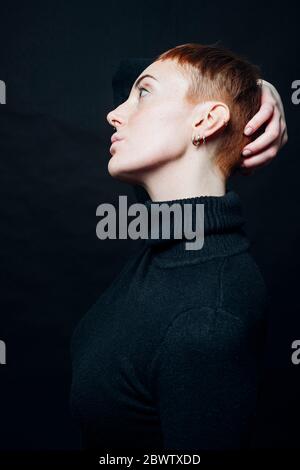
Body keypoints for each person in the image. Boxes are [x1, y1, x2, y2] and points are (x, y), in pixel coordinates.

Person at [69, 43, 288, 450]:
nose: (114, 114)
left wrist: (239, 96)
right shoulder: (173, 233)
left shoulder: (207, 319)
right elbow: (130, 72)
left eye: (143, 94)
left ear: (205, 119)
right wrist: (255, 91)